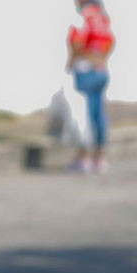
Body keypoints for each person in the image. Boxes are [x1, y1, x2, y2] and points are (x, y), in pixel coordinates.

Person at [66, 0, 115, 173]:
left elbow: (77, 41)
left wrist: (71, 61)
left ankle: (84, 157)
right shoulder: (102, 16)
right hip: (101, 71)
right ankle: (99, 158)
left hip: (85, 70)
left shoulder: (82, 16)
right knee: (98, 114)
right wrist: (101, 58)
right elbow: (110, 41)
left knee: (83, 115)